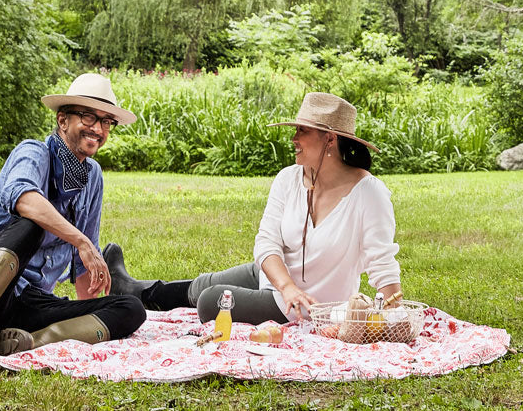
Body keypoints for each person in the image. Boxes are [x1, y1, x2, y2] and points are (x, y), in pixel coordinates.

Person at [106, 92, 403, 324]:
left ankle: (136, 292)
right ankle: (132, 290)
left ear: (330, 139)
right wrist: (285, 284)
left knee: (211, 301)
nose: (293, 139)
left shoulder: (369, 193)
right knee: (205, 283)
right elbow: (267, 242)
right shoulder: (289, 178)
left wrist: (389, 317)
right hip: (279, 281)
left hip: (304, 308)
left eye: (302, 131)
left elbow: (382, 266)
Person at [0, 73, 146, 364]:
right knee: (32, 223)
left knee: (130, 308)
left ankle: (28, 342)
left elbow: (86, 265)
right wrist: (80, 241)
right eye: (88, 117)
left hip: (23, 303)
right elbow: (26, 200)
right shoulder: (33, 152)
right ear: (62, 121)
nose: (98, 128)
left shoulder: (93, 176)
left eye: (107, 121)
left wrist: (94, 307)